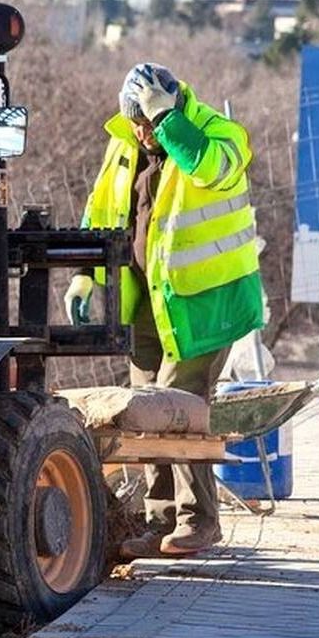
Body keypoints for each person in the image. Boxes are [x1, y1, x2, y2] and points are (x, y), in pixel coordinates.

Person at [65, 63, 265, 558]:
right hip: (147, 306)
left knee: (177, 407)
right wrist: (82, 275)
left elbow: (209, 167)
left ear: (166, 111)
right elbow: (99, 211)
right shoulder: (124, 144)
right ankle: (161, 522)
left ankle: (199, 521)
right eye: (136, 123)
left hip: (204, 306)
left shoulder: (219, 134)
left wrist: (170, 121)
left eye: (147, 122)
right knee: (145, 413)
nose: (140, 133)